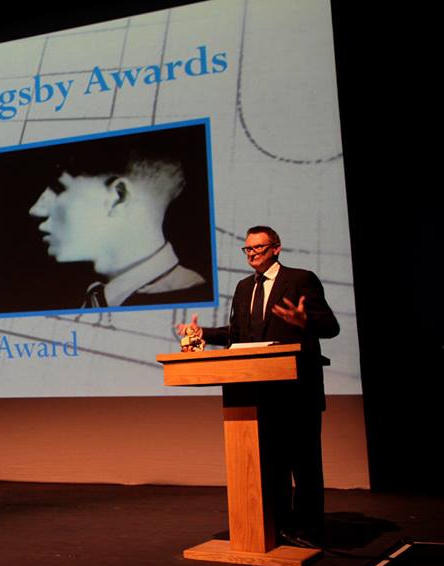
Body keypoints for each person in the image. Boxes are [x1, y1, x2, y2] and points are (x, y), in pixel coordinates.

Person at [176, 225, 339, 539]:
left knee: (304, 466)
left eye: (258, 248)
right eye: (247, 249)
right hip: (259, 392)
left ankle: (310, 531)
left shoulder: (300, 279)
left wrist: (305, 321)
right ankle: (276, 527)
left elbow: (330, 326)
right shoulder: (243, 287)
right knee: (270, 467)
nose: (252, 254)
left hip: (297, 390)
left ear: (276, 248)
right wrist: (203, 335)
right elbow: (238, 337)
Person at [29, 153, 210, 308]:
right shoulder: (94, 296)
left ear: (118, 196)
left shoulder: (192, 299)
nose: (35, 209)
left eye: (59, 188)